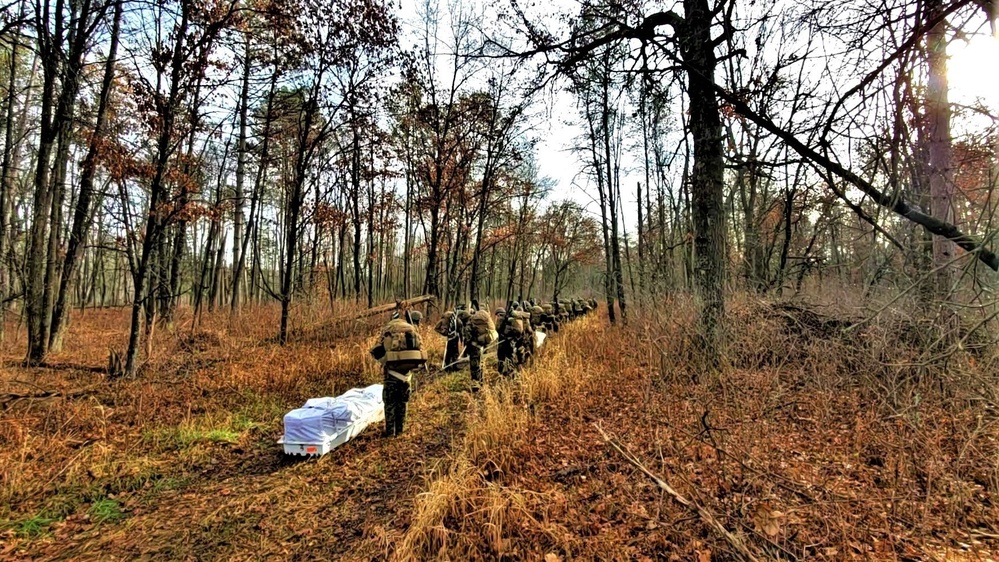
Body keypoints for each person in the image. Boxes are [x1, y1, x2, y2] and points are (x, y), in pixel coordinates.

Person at [370, 312, 426, 437]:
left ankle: (390, 433)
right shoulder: (411, 331)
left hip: (391, 375)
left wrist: (384, 359)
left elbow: (376, 350)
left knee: (390, 404)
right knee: (403, 403)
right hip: (406, 376)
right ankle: (400, 431)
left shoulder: (388, 332)